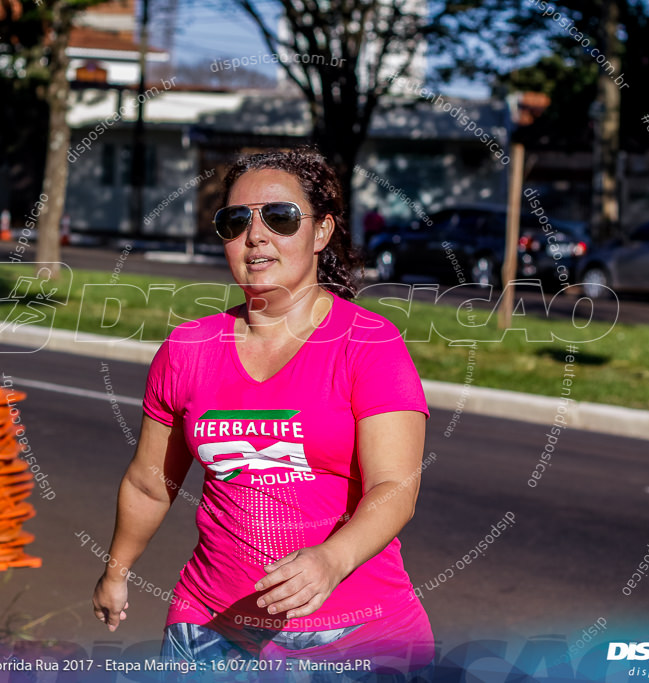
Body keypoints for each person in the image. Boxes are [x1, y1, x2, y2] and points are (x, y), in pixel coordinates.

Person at [92, 148, 435, 678]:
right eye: (236, 221)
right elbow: (149, 484)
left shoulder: (367, 343)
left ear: (321, 232)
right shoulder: (189, 349)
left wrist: (332, 559)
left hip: (358, 635)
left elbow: (394, 487)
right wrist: (116, 572)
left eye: (279, 217)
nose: (255, 236)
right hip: (209, 629)